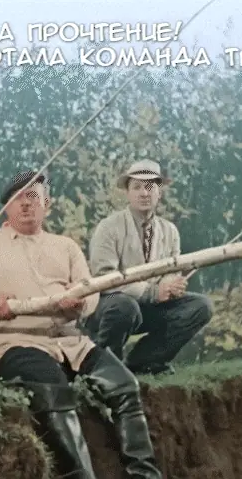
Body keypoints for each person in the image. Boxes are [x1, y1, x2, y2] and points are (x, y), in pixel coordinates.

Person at [0, 171, 162, 479]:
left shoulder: (65, 246)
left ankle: (144, 474)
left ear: (47, 204)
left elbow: (89, 291)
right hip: (13, 342)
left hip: (71, 342)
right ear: (6, 207)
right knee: (53, 390)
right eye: (17, 198)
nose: (25, 204)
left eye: (33, 197)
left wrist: (77, 303)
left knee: (124, 384)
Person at [87, 159, 213, 376]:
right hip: (111, 307)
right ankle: (105, 368)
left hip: (150, 308)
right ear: (127, 193)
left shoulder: (170, 231)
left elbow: (172, 270)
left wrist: (172, 286)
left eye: (150, 187)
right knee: (124, 306)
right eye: (137, 187)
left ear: (159, 193)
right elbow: (104, 278)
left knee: (201, 306)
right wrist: (153, 292)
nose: (144, 193)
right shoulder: (108, 228)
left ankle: (144, 362)